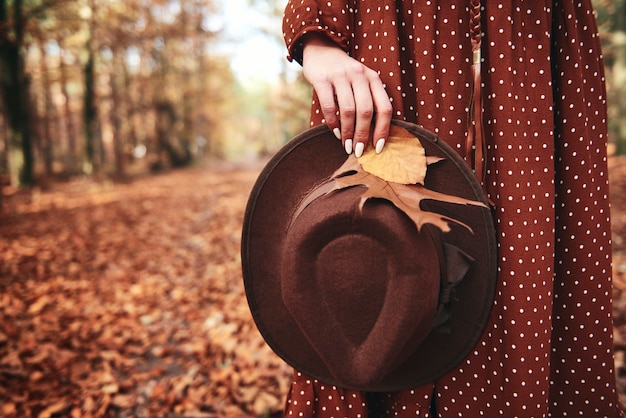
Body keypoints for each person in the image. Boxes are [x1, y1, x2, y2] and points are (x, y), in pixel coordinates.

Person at [280, 1, 623, 417]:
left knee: (522, 275)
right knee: (380, 268)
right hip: (390, 39)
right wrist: (317, 45)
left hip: (530, 47)